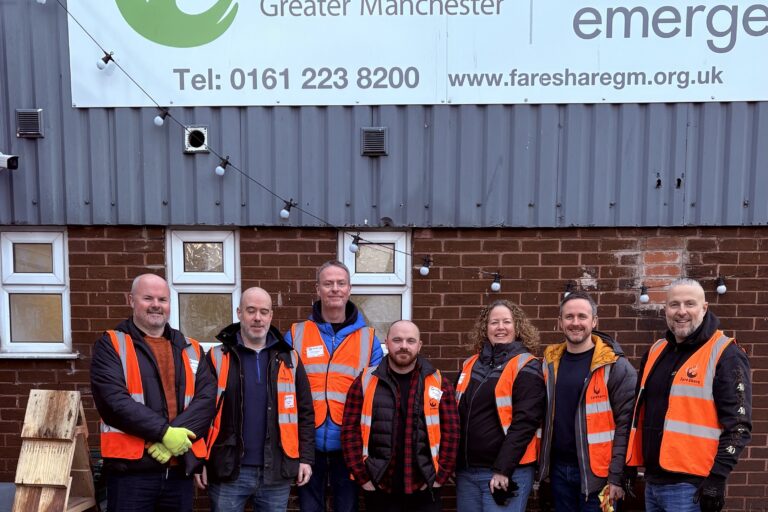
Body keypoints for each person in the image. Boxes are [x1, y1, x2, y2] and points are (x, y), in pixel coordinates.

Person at [90, 273, 216, 512]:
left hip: (179, 472)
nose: (156, 305)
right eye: (148, 298)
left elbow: (206, 401)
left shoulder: (192, 348)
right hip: (131, 475)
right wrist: (164, 433)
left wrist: (169, 444)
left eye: (163, 299)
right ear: (131, 300)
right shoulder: (112, 344)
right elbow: (113, 402)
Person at [626, 278, 752, 512]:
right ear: (665, 310)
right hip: (652, 483)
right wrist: (629, 466)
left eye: (690, 304)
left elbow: (739, 427)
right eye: (674, 304)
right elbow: (639, 414)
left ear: (704, 308)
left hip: (692, 488)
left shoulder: (726, 354)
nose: (681, 311)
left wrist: (717, 479)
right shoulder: (655, 351)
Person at [195, 287, 316, 511]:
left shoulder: (289, 358)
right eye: (251, 311)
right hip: (228, 469)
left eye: (263, 311)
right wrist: (198, 459)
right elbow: (200, 412)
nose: (257, 318)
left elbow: (305, 413)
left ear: (271, 315)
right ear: (239, 312)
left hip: (276, 471)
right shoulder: (217, 357)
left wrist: (306, 459)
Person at [285, 260, 384, 512]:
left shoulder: (369, 338)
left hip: (349, 443)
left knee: (348, 507)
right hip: (307, 443)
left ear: (349, 289)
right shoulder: (295, 334)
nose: (335, 289)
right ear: (317, 289)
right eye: (328, 283)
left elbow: (375, 393)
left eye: (341, 283)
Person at [341, 320, 459, 512]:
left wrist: (440, 478)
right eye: (397, 340)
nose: (404, 346)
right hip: (380, 488)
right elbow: (349, 432)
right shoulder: (365, 381)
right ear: (387, 343)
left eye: (410, 341)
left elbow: (452, 434)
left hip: (425, 488)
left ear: (419, 345)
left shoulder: (439, 383)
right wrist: (364, 479)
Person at [538, 290, 636, 512]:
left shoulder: (615, 367)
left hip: (600, 477)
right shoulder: (548, 364)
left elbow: (626, 427)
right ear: (560, 322)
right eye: (569, 317)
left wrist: (616, 477)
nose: (575, 323)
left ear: (594, 321)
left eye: (582, 317)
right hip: (558, 473)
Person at [454, 300, 546, 512]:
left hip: (505, 473)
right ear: (485, 328)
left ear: (518, 327)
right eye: (494, 322)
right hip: (467, 472)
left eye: (507, 321)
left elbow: (525, 423)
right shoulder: (470, 364)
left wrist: (503, 469)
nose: (500, 327)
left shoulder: (526, 365)